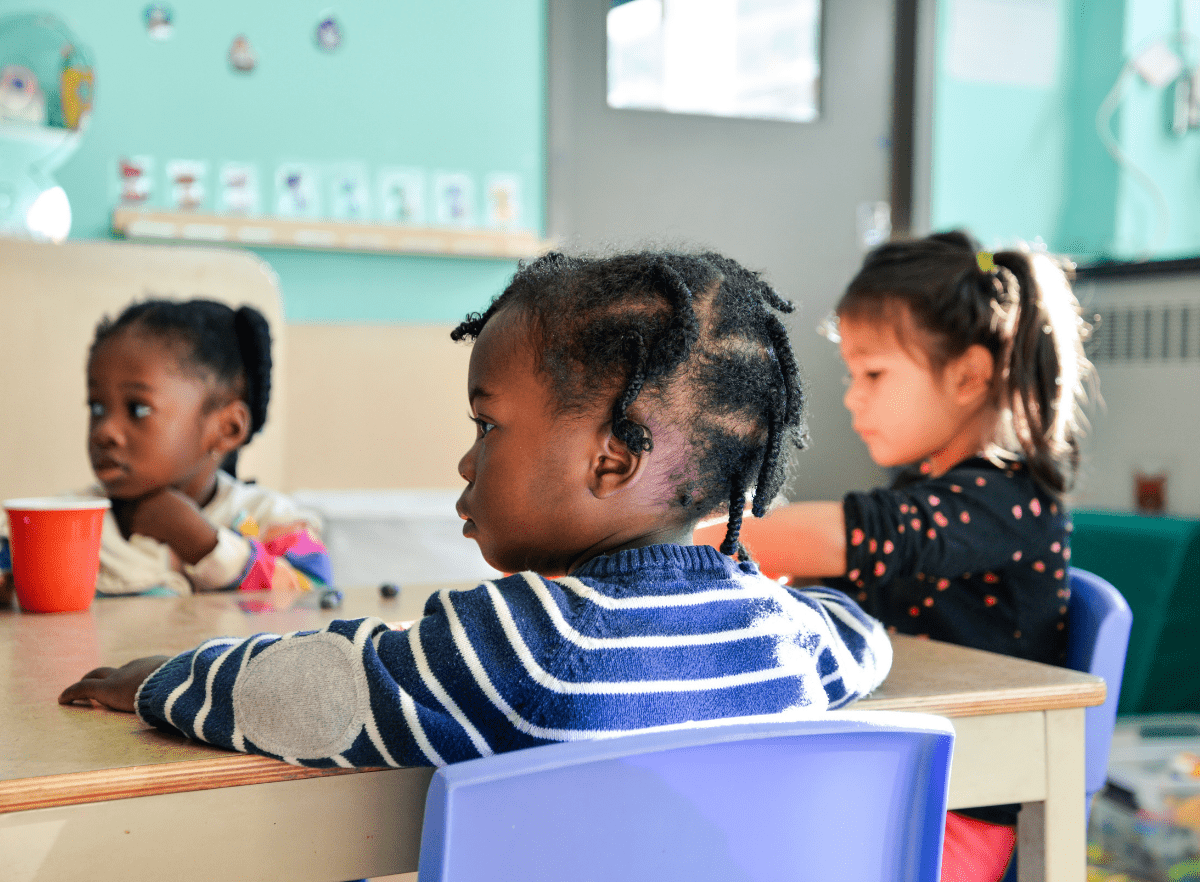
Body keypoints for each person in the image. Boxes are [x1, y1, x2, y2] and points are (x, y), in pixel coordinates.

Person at [57, 250, 891, 773]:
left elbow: (322, 689)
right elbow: (862, 634)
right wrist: (765, 593)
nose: (467, 459)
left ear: (615, 458)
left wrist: (163, 681)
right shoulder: (791, 639)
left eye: (487, 425)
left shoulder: (526, 643)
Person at [697, 231, 1094, 882]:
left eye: (874, 374)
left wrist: (664, 543)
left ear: (968, 375)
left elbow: (850, 538)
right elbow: (838, 568)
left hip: (961, 806)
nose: (854, 396)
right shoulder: (923, 489)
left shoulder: (1010, 499)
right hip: (895, 776)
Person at [0, 298, 332, 604]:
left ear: (226, 428)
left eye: (138, 409)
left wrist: (203, 543)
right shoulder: (60, 522)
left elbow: (316, 602)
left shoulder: (272, 520)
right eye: (97, 408)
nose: (105, 431)